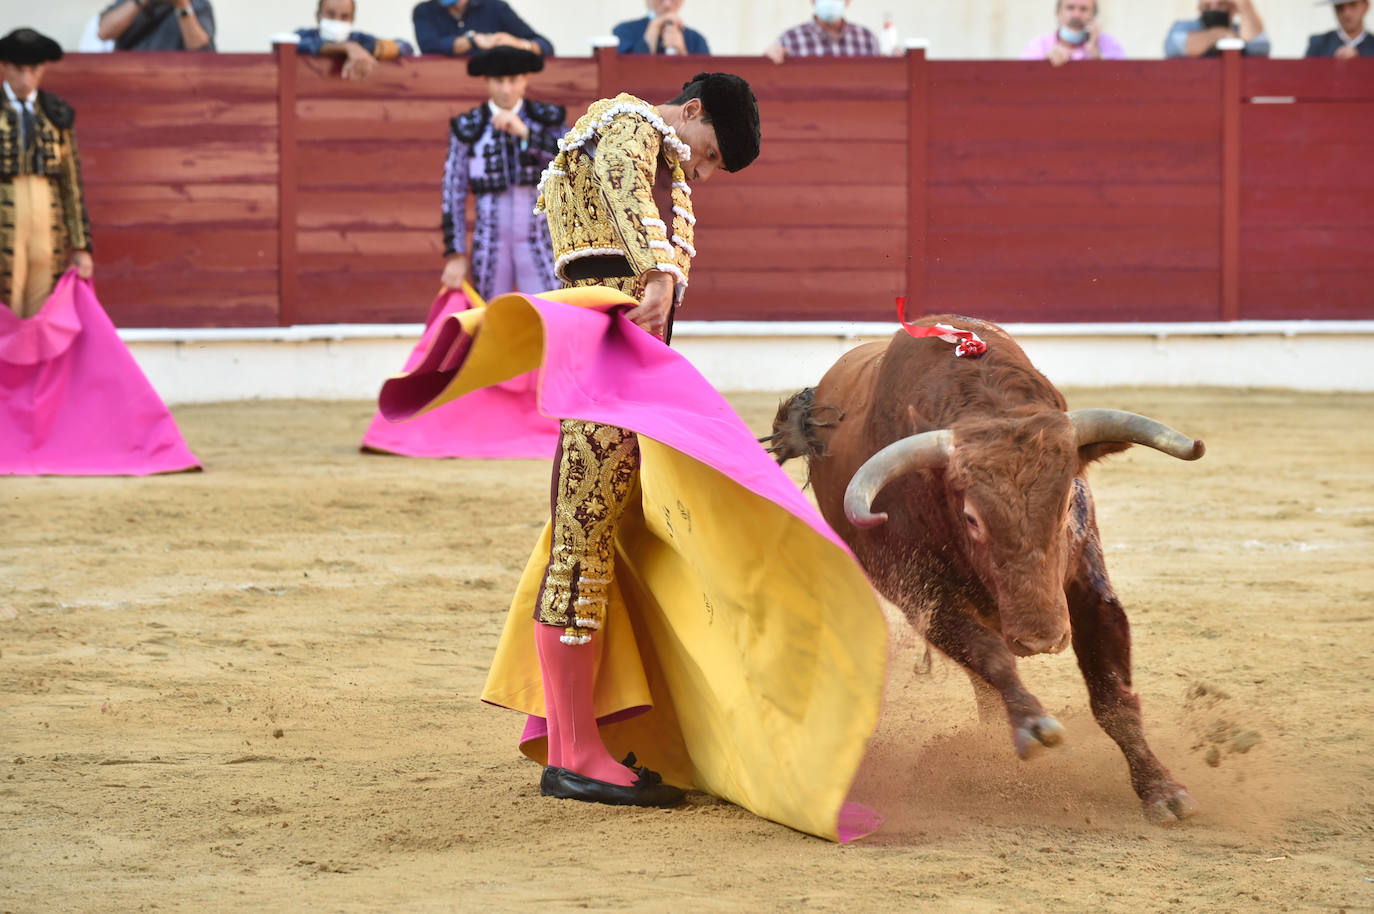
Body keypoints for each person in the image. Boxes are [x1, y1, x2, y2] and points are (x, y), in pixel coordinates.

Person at [529, 72, 760, 806]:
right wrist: (657, 270)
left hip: (603, 354)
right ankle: (576, 753)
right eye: (711, 152)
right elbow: (622, 171)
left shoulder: (631, 139)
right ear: (690, 112)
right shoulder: (628, 123)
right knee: (582, 547)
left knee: (585, 543)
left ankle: (576, 745)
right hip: (608, 357)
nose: (702, 170)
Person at [440, 47, 566, 301]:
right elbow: (453, 191)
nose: (506, 89)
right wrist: (456, 255)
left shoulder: (547, 121)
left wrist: (527, 134)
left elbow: (573, 164)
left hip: (539, 240)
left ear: (526, 79)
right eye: (499, 81)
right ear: (486, 81)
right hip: (490, 244)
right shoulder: (468, 127)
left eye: (513, 80)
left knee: (551, 316)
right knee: (492, 320)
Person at [0, 29, 92, 319]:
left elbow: (71, 183)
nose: (26, 80)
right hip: (3, 225)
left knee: (43, 314)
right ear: (4, 66)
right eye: (18, 69)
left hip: (48, 231)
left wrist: (81, 246)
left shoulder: (57, 114)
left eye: (34, 70)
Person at [296, 0, 415, 81]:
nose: (337, 20)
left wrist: (366, 50)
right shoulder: (304, 36)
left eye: (344, 16)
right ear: (318, 16)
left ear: (352, 19)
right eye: (331, 15)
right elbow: (295, 45)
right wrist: (348, 48)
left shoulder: (360, 39)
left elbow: (405, 47)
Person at [411, 0, 551, 58]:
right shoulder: (424, 11)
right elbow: (429, 46)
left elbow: (545, 45)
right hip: (444, 87)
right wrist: (472, 40)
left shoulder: (495, 7)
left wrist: (520, 44)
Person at [765, 0, 880, 63]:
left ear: (848, 1)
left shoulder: (868, 40)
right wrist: (769, 57)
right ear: (812, 1)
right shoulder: (789, 40)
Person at [1021, 0, 1126, 65]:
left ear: (1093, 15)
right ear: (1057, 13)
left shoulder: (1109, 44)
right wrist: (1045, 63)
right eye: (1070, 8)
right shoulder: (1039, 45)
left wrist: (1096, 55)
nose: (1076, 15)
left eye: (1084, 9)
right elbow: (1024, 78)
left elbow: (1123, 80)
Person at [1164, 0, 1269, 58]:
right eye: (1208, 6)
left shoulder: (1242, 31)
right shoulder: (1185, 27)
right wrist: (1222, 34)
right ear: (1200, 7)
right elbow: (1174, 48)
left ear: (1233, 7)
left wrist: (1244, 4)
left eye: (1221, 4)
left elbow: (1260, 49)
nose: (1214, 8)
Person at [97, 0, 216, 51]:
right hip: (130, 79)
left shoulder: (198, 4)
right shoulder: (130, 2)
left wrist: (182, 5)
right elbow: (104, 32)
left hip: (177, 80)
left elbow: (202, 52)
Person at [612, 0, 711, 56]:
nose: (667, 4)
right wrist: (650, 38)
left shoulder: (697, 40)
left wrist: (683, 54)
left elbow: (704, 85)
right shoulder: (624, 31)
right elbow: (622, 73)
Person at [1306, 0, 1373, 58]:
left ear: (1366, 6)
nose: (1347, 13)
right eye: (1340, 7)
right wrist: (1333, 62)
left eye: (1353, 5)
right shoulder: (1318, 44)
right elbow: (1307, 71)